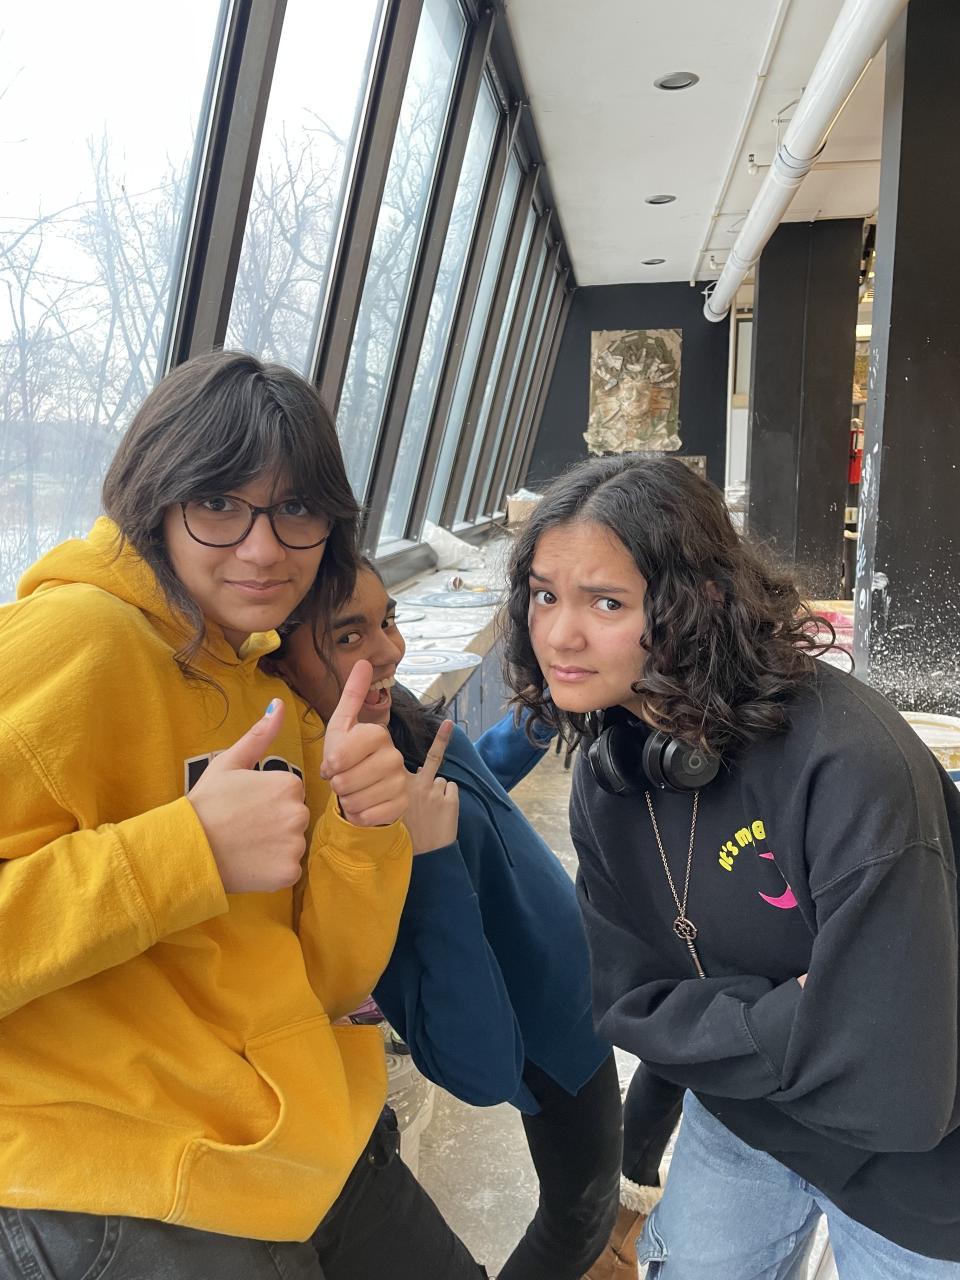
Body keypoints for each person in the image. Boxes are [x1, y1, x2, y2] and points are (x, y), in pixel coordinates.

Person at [0, 351, 489, 1280]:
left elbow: (328, 979)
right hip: (122, 1186)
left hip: (299, 1143)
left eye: (295, 509)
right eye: (218, 503)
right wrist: (185, 850)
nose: (263, 549)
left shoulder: (262, 679)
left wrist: (361, 828)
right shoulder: (76, 640)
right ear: (154, 502)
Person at [500, 452, 960, 1279]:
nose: (560, 634)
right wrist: (803, 1012)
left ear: (697, 601)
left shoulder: (851, 767)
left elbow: (896, 1078)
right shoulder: (616, 776)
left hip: (919, 1176)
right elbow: (627, 1005)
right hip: (742, 1117)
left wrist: (714, 1023)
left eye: (606, 602)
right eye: (544, 595)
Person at [277, 561, 623, 1280]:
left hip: (582, 976)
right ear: (276, 658)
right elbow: (478, 1067)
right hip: (552, 1031)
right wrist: (429, 858)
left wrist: (534, 721)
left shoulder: (389, 713)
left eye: (388, 619)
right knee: (578, 1217)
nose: (389, 649)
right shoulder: (353, 821)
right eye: (348, 635)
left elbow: (468, 784)